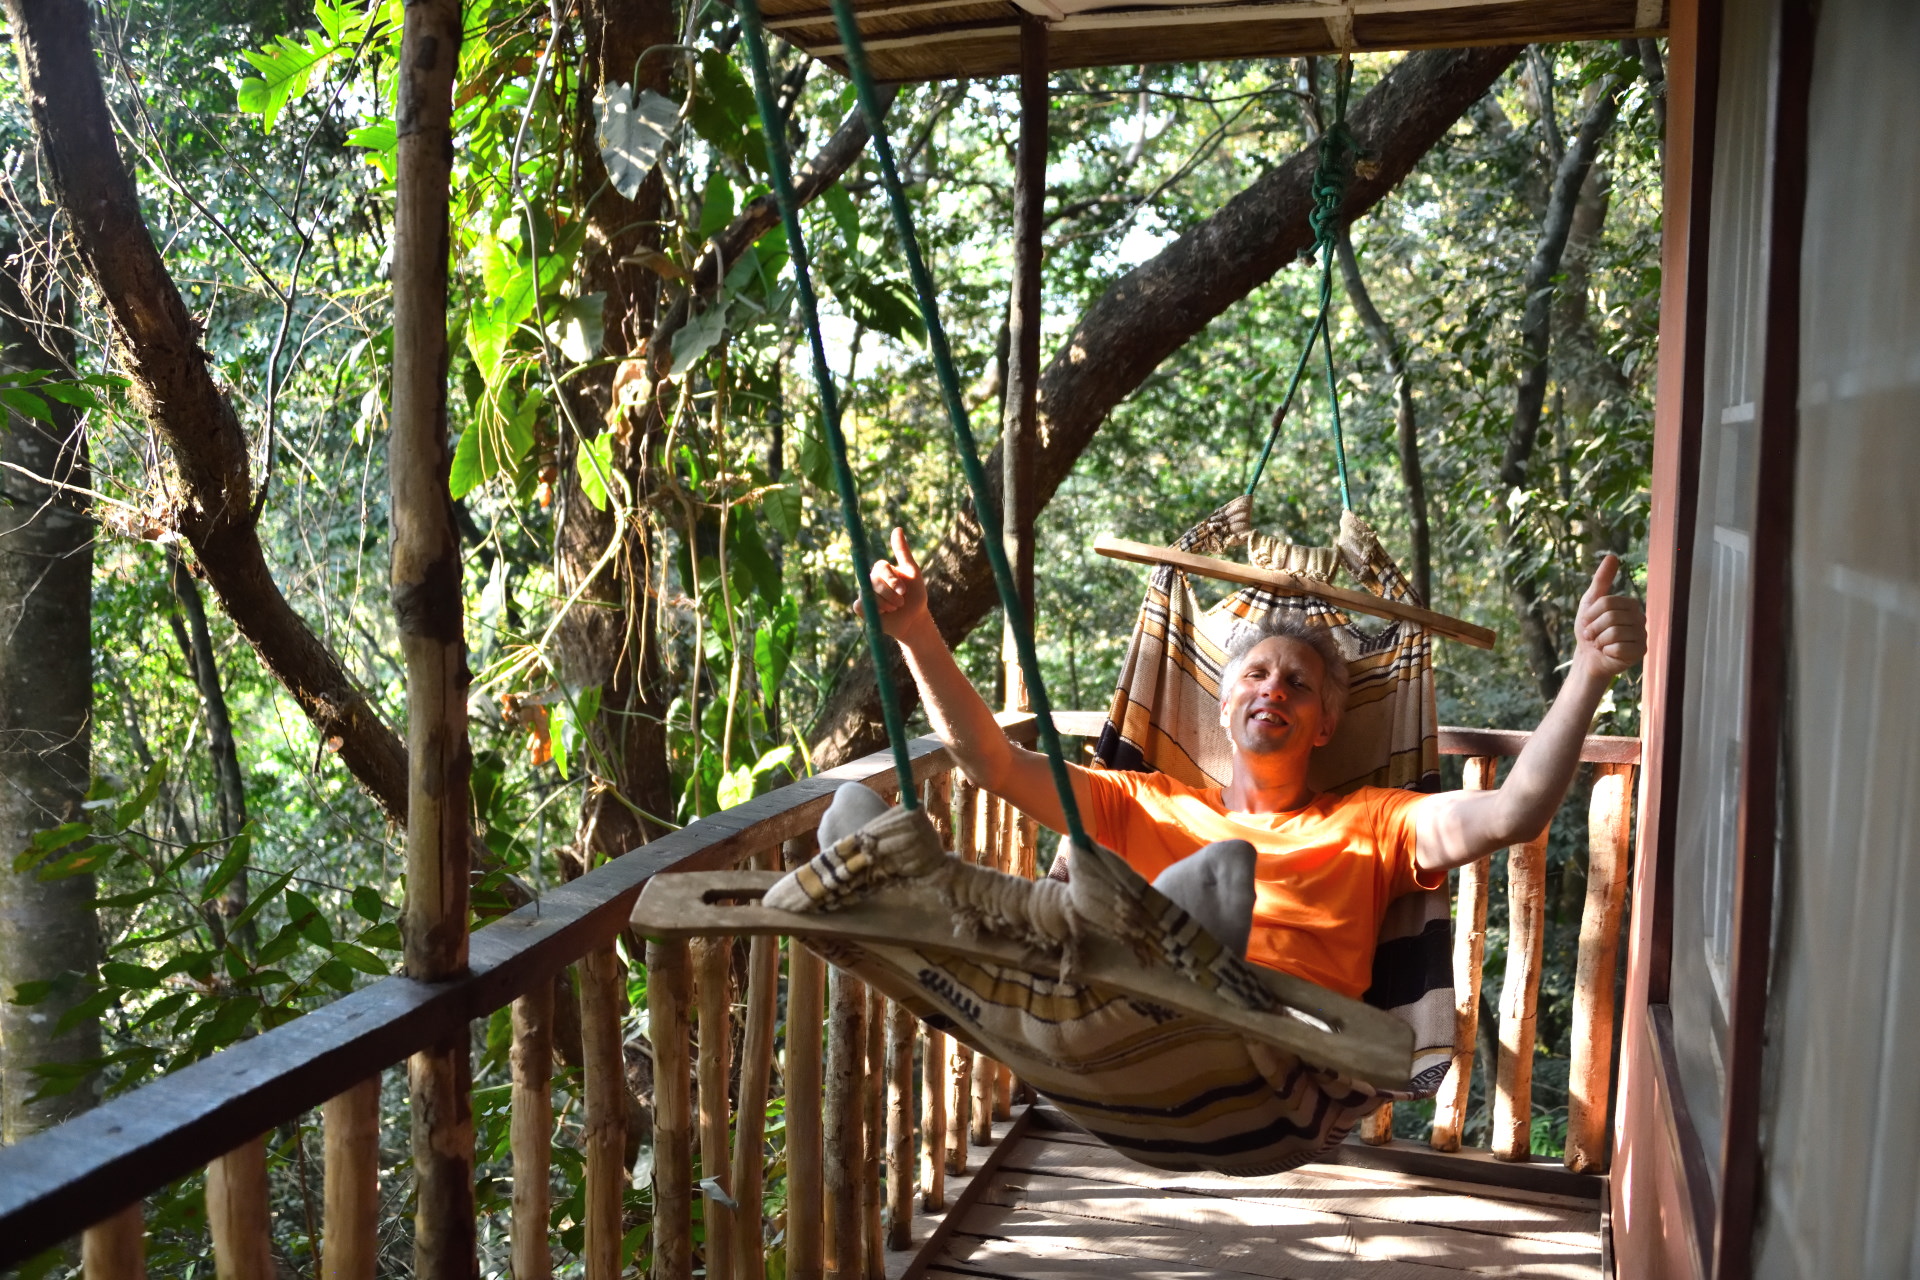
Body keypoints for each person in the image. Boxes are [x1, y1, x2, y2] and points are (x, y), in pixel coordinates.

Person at [861, 526, 1648, 1000]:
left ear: (1325, 724)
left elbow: (1514, 813)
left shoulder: (1375, 823)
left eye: (1298, 684)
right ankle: (881, 870)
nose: (1274, 689)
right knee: (1046, 929)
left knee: (1212, 878)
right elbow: (993, 764)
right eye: (1256, 676)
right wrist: (918, 633)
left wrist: (1587, 672)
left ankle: (1178, 944)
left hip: (1282, 1065)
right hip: (1130, 1035)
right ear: (1221, 706)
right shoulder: (1142, 801)